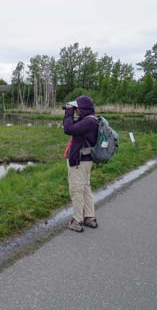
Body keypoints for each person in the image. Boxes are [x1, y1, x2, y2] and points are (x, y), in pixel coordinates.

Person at [63, 95, 99, 232]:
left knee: (76, 190)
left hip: (79, 162)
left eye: (77, 108)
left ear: (83, 109)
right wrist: (71, 114)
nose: (76, 110)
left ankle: (77, 220)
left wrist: (68, 113)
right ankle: (89, 217)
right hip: (84, 161)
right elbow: (73, 128)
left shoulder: (89, 122)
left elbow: (68, 129)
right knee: (85, 188)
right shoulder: (89, 120)